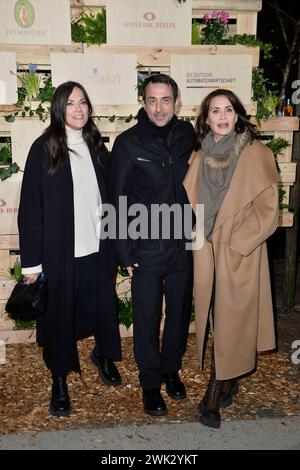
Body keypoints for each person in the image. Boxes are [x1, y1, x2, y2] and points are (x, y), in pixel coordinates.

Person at [18, 81, 122, 417]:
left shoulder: (95, 145)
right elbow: (31, 209)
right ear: (59, 108)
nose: (78, 109)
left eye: (83, 103)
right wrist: (31, 265)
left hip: (98, 249)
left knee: (102, 307)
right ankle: (59, 379)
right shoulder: (44, 148)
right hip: (60, 254)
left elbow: (109, 200)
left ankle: (102, 355)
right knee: (59, 317)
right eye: (70, 103)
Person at [183, 89, 279, 428]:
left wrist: (238, 243)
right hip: (206, 251)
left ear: (237, 115)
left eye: (228, 110)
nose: (222, 116)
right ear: (206, 119)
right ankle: (231, 378)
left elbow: (269, 213)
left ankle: (211, 396)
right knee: (215, 317)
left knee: (230, 322)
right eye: (215, 111)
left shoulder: (257, 154)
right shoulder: (198, 154)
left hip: (240, 253)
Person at [109, 74, 195, 416]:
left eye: (166, 100)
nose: (159, 107)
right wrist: (123, 251)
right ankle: (149, 383)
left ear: (176, 102)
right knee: (146, 316)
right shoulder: (128, 143)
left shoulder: (187, 134)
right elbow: (116, 199)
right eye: (152, 100)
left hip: (183, 241)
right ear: (143, 103)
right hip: (145, 244)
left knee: (177, 312)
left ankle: (171, 370)